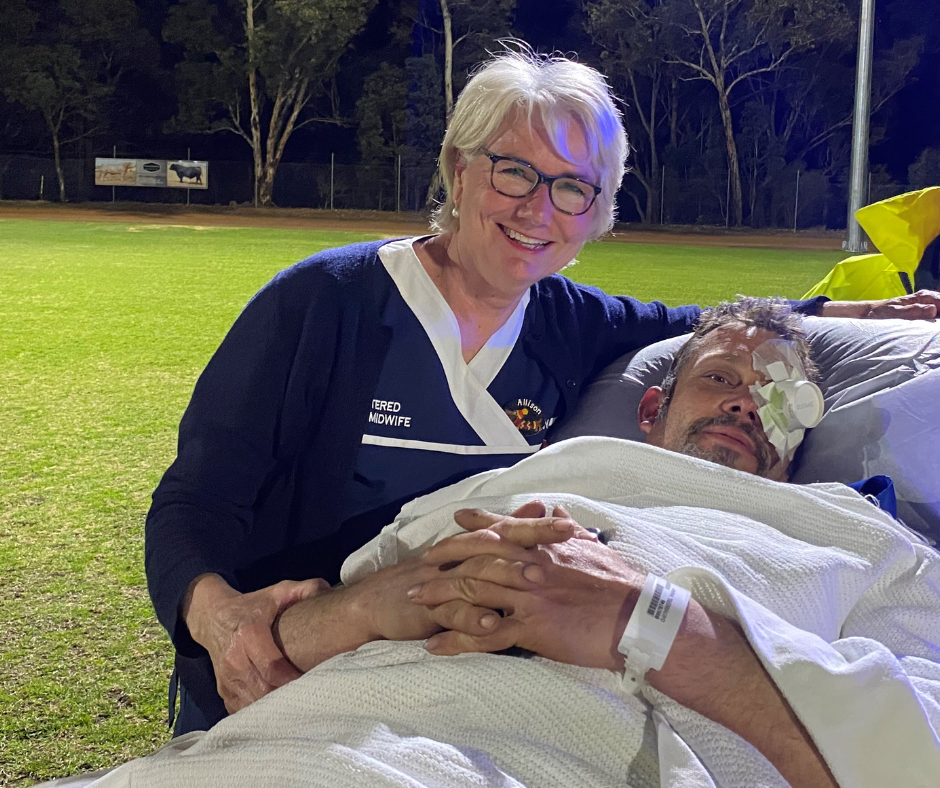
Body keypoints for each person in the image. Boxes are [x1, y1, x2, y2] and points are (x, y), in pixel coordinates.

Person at [146, 45, 940, 734]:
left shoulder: (570, 324)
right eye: (514, 170)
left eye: (573, 187)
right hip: (283, 653)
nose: (538, 208)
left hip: (440, 667)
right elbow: (193, 502)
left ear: (596, 216)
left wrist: (858, 309)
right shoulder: (326, 301)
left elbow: (707, 324)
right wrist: (221, 620)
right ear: (460, 170)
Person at [93, 298, 939, 788]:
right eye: (720, 377)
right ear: (651, 411)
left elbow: (911, 755)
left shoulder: (856, 537)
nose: (749, 403)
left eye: (780, 394)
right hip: (301, 748)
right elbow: (273, 655)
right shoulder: (541, 478)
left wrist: (644, 622)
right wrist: (385, 603)